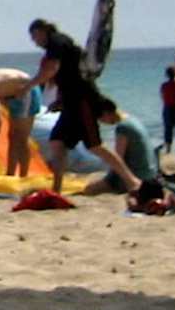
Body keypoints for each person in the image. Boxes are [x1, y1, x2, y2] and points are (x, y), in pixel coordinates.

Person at [29, 18, 140, 194]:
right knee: (57, 142)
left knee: (94, 145)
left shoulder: (57, 42)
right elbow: (69, 75)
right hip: (71, 104)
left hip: (83, 102)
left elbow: (51, 69)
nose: (35, 42)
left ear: (43, 31)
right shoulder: (59, 44)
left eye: (35, 37)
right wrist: (60, 101)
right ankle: (56, 189)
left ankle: (131, 180)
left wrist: (28, 86)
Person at [78, 102, 156, 196]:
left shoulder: (123, 128)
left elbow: (118, 158)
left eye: (100, 119)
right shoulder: (132, 120)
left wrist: (108, 178)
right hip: (150, 173)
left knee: (89, 190)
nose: (101, 122)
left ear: (106, 113)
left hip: (137, 176)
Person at [158, 67, 175, 156]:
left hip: (167, 108)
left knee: (168, 129)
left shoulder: (164, 85)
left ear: (167, 75)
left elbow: (162, 97)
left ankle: (168, 150)